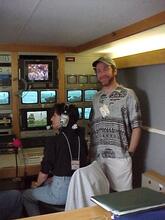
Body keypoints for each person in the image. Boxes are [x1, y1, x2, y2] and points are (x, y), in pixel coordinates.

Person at [23, 103, 88, 216]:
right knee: (47, 183)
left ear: (64, 119)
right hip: (78, 190)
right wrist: (53, 178)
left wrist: (36, 184)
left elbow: (44, 171)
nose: (51, 118)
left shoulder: (54, 141)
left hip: (60, 193)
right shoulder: (80, 139)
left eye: (54, 115)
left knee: (27, 195)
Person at [90, 56, 142, 192]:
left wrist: (129, 152)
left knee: (123, 198)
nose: (102, 74)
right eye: (98, 71)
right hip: (98, 157)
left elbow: (136, 126)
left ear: (114, 71)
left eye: (106, 69)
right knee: (100, 195)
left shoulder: (128, 95)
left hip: (120, 157)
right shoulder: (96, 98)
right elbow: (93, 127)